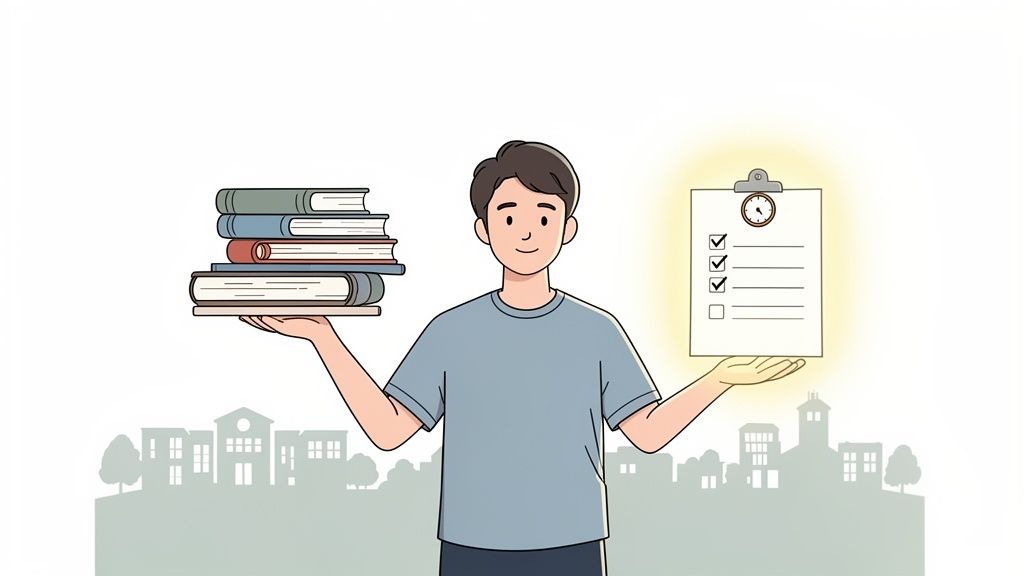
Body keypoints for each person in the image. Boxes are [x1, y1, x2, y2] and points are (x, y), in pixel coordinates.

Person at [240, 140, 805, 575]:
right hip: (471, 548)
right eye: (509, 215)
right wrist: (323, 336)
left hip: (572, 547)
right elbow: (389, 430)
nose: (527, 231)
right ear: (484, 229)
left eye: (544, 214)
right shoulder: (450, 332)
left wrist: (721, 377)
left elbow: (647, 432)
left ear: (568, 227)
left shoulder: (597, 332)